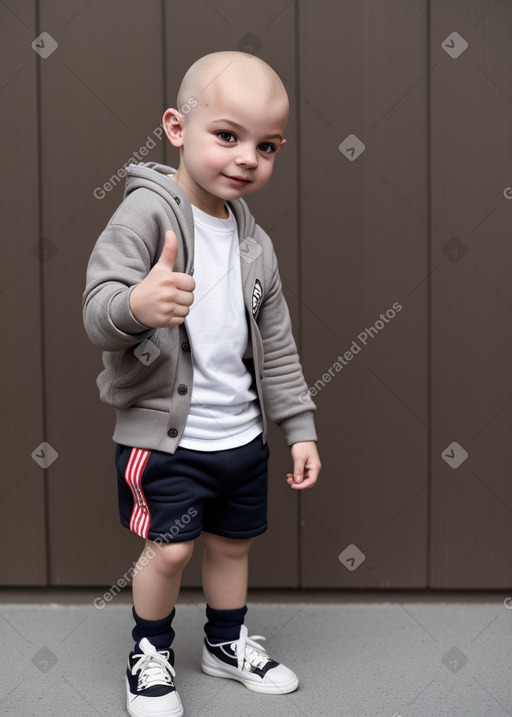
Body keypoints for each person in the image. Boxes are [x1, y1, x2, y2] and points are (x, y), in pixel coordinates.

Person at [83, 50, 321, 717]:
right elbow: (97, 309)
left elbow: (277, 344)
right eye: (228, 135)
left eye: (267, 145)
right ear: (177, 128)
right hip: (166, 439)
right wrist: (136, 305)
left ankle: (224, 641)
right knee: (171, 548)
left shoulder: (256, 244)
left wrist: (298, 427)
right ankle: (149, 649)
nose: (248, 156)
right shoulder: (144, 217)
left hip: (240, 436)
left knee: (232, 545)